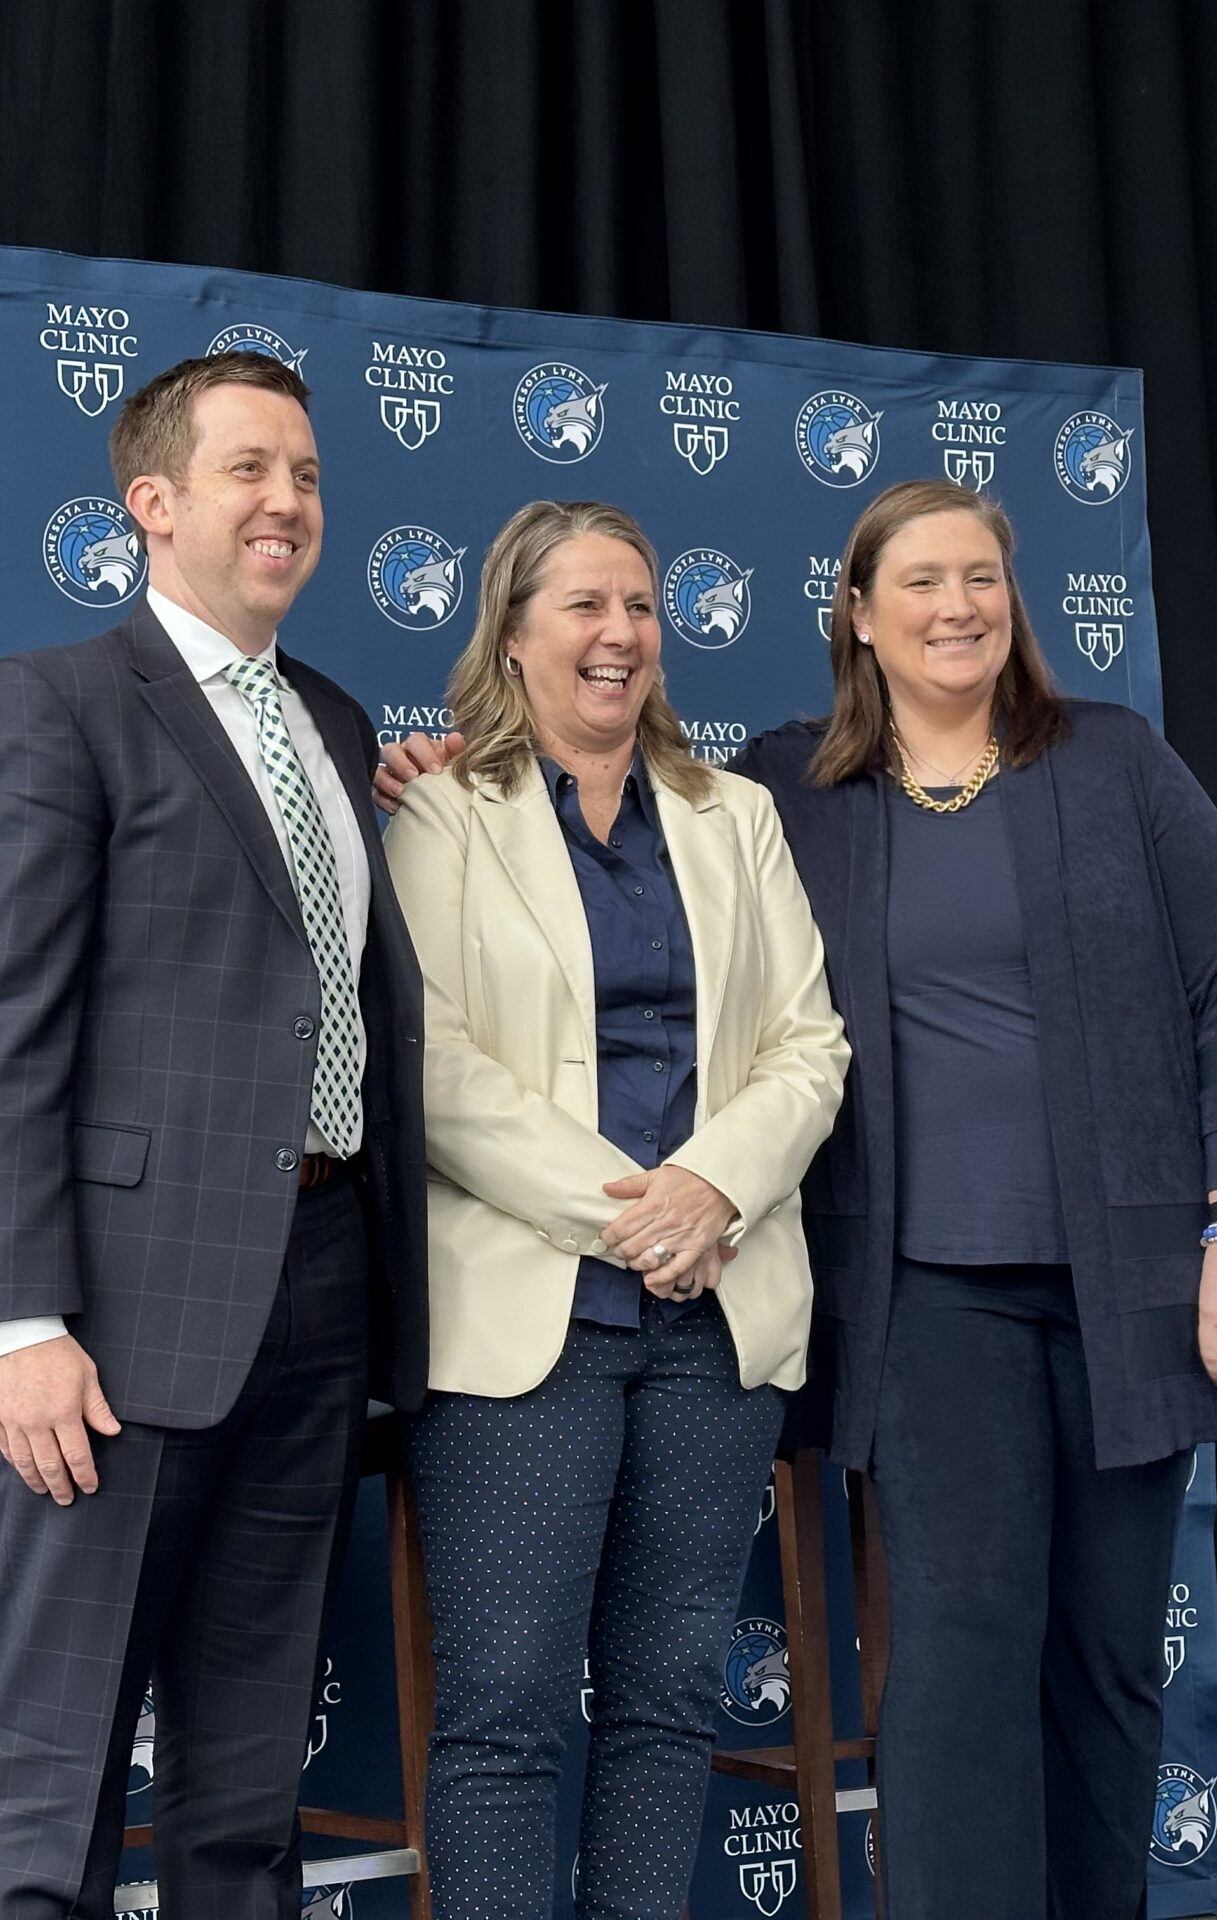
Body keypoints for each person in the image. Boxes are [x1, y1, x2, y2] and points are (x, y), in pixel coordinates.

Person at [377, 477, 1217, 1920]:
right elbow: (461, 1025)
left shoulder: (1082, 768)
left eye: (982, 576)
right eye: (920, 580)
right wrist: (640, 1205)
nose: (958, 606)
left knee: (1098, 1659)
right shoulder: (769, 790)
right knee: (937, 1653)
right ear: (858, 616)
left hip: (1053, 1297)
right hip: (865, 1301)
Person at [0, 350, 427, 1920]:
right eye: (249, 470)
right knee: (62, 1757)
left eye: (309, 474)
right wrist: (18, 1320)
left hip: (326, 1278)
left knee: (249, 1768)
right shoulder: (57, 702)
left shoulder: (341, 727)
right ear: (152, 504)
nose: (288, 501)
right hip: (120, 1309)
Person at [379, 500, 848, 1920]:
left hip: (717, 1318)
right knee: (508, 1710)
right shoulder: (440, 811)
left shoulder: (738, 815)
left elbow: (809, 1045)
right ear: (513, 636)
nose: (619, 634)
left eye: (638, 606)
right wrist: (634, 1214)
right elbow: (430, 1062)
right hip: (529, 1326)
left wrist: (714, 1190)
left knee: (666, 1702)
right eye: (583, 606)